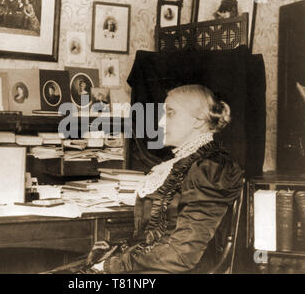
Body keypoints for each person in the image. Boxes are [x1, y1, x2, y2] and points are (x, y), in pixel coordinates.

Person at [74, 84, 243, 274]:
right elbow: (152, 237)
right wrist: (114, 251)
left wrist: (114, 265)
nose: (161, 122)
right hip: (154, 266)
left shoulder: (210, 168)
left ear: (198, 121)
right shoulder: (180, 163)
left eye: (170, 113)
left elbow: (183, 254)